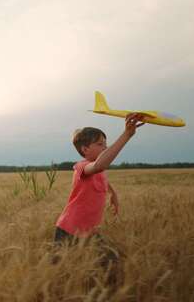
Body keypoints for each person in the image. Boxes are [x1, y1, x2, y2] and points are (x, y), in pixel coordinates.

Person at [54, 113, 145, 265]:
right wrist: (127, 135)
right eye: (100, 144)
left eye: (105, 143)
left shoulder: (99, 170)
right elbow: (99, 166)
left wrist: (113, 193)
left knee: (112, 264)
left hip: (90, 231)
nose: (105, 147)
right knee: (59, 271)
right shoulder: (81, 167)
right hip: (69, 230)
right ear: (84, 149)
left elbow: (102, 176)